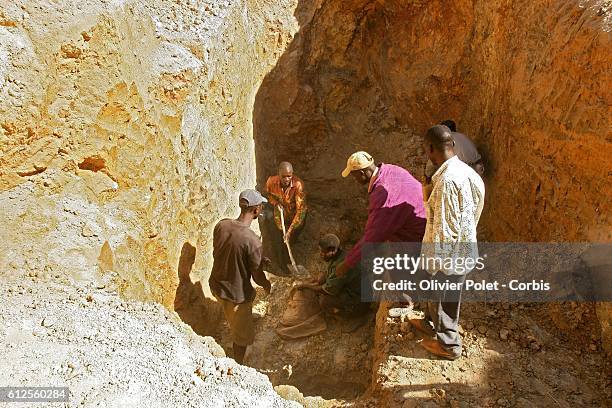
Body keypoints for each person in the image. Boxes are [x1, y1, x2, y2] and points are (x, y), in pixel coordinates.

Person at [411, 125, 485, 360]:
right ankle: (431, 323)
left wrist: (436, 263)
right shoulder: (468, 172)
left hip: (448, 254)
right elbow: (477, 208)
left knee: (444, 297)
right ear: (452, 144)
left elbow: (445, 228)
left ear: (430, 149)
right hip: (464, 247)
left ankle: (449, 345)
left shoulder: (447, 182)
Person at [335, 151, 426, 278]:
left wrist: (347, 264)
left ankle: (410, 295)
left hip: (416, 236)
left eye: (354, 176)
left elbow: (373, 236)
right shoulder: (392, 169)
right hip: (423, 218)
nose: (355, 180)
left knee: (397, 274)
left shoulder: (382, 196)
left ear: (361, 173)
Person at [208, 189, 272, 364]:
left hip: (216, 285)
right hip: (235, 296)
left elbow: (225, 251)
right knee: (242, 338)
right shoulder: (252, 240)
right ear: (256, 210)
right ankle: (237, 365)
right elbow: (257, 276)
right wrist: (266, 284)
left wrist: (254, 258)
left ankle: (230, 323)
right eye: (260, 206)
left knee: (230, 315)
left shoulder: (221, 225)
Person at [293, 234, 365, 316]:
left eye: (323, 252)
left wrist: (306, 286)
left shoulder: (340, 267)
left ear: (332, 251)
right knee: (321, 278)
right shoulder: (340, 254)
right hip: (353, 288)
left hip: (359, 301)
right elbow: (327, 275)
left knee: (325, 301)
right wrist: (311, 282)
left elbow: (328, 290)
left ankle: (346, 313)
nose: (320, 254)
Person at [261, 161, 307, 275]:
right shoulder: (271, 182)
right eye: (284, 176)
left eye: (289, 176)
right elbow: (267, 194)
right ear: (279, 174)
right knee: (280, 238)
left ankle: (292, 247)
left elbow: (301, 211)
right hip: (280, 213)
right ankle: (282, 264)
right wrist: (275, 203)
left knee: (291, 238)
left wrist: (290, 231)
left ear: (292, 174)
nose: (287, 179)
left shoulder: (298, 185)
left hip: (296, 216)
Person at [423, 120, 484, 200]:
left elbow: (431, 165)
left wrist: (427, 178)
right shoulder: (462, 136)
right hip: (479, 168)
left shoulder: (445, 142)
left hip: (468, 172)